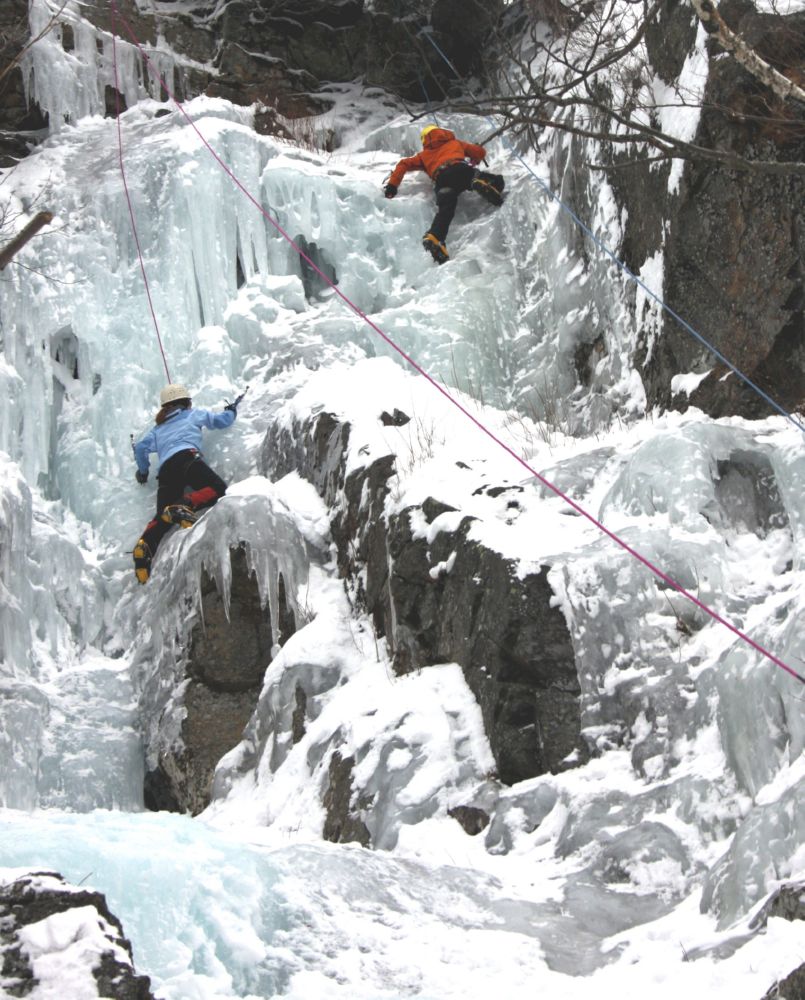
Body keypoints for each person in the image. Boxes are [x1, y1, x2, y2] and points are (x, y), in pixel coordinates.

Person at [131, 383, 239, 584]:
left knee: (162, 516)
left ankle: (144, 549)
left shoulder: (157, 429)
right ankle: (183, 505)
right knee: (218, 489)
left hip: (166, 471)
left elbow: (140, 449)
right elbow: (221, 421)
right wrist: (231, 410)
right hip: (187, 459)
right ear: (187, 402)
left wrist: (143, 472)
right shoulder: (193, 414)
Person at [384, 124, 505, 264]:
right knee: (495, 179)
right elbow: (479, 153)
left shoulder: (423, 156)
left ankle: (435, 236)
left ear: (424, 140)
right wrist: (477, 152)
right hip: (460, 170)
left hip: (442, 180)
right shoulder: (455, 143)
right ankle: (481, 183)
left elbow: (403, 164)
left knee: (445, 211)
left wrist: (392, 186)